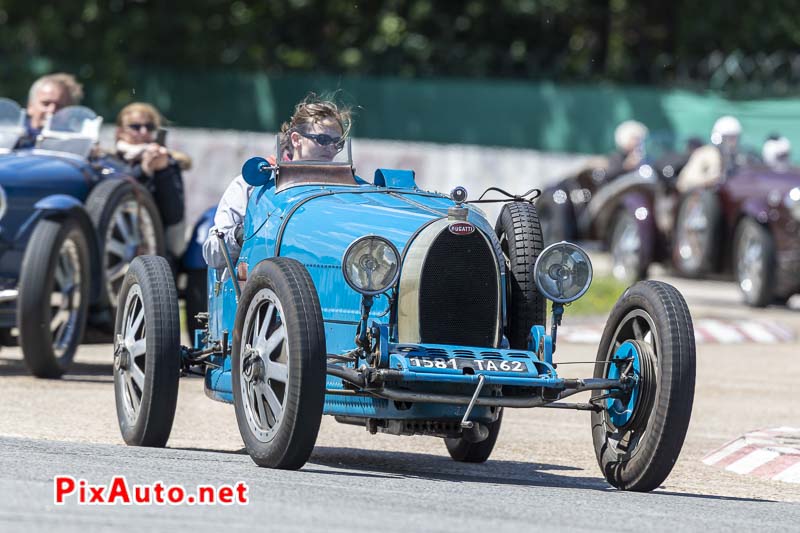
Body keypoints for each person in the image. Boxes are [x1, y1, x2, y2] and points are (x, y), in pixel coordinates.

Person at [202, 94, 351, 270]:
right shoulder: (252, 184)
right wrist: (241, 235)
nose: (331, 149)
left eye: (338, 143)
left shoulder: (345, 189)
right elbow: (212, 252)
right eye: (323, 140)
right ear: (296, 140)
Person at [114, 102, 188, 259]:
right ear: (120, 131)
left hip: (157, 249)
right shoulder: (109, 161)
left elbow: (174, 216)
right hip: (116, 245)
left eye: (149, 127)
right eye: (135, 126)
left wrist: (162, 171)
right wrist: (144, 170)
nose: (143, 132)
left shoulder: (168, 162)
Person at [16, 73, 83, 149]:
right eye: (46, 104)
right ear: (30, 106)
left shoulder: (75, 143)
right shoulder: (11, 135)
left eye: (60, 106)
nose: (52, 110)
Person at [676, 115, 741, 193]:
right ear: (719, 137)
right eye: (730, 138)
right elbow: (684, 182)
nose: (733, 143)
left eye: (735, 138)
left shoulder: (738, 158)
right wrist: (711, 180)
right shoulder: (706, 153)